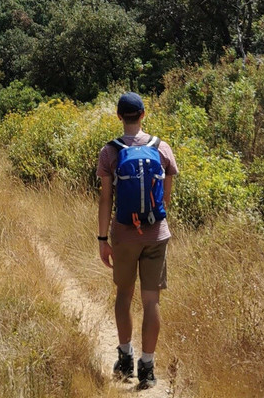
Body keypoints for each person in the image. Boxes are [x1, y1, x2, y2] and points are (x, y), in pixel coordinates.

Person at [97, 92, 178, 390]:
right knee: (151, 300)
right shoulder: (162, 148)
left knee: (123, 295)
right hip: (157, 234)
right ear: (143, 114)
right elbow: (166, 199)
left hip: (123, 235)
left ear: (119, 116)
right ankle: (147, 366)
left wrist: (103, 239)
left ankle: (125, 358)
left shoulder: (109, 152)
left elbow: (106, 199)